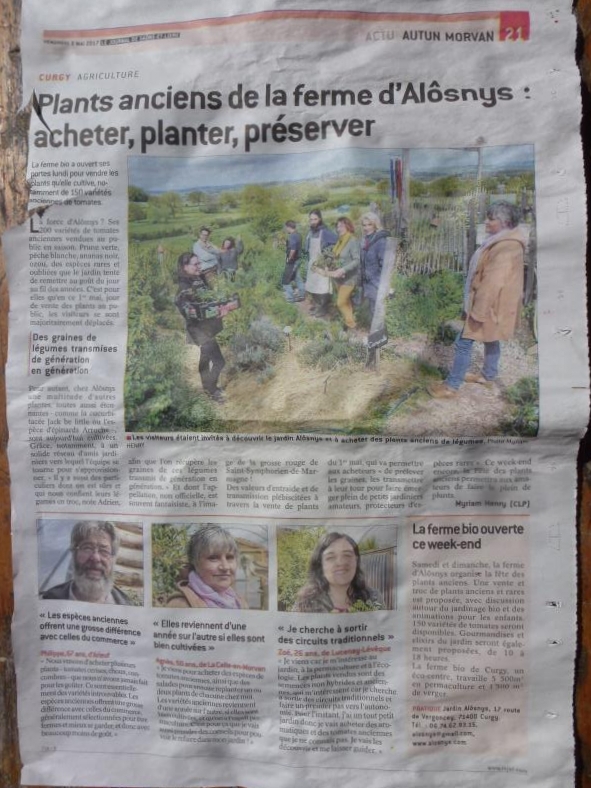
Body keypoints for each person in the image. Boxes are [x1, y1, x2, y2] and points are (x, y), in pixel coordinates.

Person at [429, 201, 526, 398]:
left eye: (490, 219)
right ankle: (488, 376)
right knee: (491, 338)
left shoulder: (506, 246)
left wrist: (477, 312)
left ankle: (451, 386)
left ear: (504, 222)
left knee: (463, 342)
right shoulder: (502, 241)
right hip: (496, 306)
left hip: (489, 305)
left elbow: (492, 283)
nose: (486, 222)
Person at [41, 521, 133, 604]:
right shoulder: (49, 599)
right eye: (87, 548)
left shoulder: (126, 605)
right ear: (74, 553)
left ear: (113, 558)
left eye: (104, 551)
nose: (95, 558)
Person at [175, 252, 225, 403]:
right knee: (219, 361)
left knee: (205, 358)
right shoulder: (184, 287)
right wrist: (214, 311)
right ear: (185, 267)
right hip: (198, 330)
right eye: (195, 264)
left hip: (206, 327)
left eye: (199, 263)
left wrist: (220, 306)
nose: (199, 267)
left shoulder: (198, 279)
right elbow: (189, 311)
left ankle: (208, 387)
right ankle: (211, 390)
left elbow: (209, 299)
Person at [292, 532, 382, 613]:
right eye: (330, 557)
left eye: (347, 555)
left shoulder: (374, 598)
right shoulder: (304, 605)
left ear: (356, 561)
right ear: (320, 565)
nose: (340, 562)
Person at [167, 525, 248, 609]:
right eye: (213, 558)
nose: (225, 567)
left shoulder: (239, 602)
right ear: (195, 562)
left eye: (229, 557)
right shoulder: (181, 604)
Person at [325, 216, 360, 330]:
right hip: (338, 278)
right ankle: (349, 322)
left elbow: (357, 260)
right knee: (346, 302)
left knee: (340, 302)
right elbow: (335, 257)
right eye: (337, 226)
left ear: (347, 226)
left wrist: (343, 269)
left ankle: (352, 326)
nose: (338, 228)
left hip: (349, 278)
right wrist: (328, 265)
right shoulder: (340, 241)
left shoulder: (352, 240)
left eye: (341, 226)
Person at [304, 209, 337, 317]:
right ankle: (317, 307)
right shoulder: (310, 233)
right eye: (311, 219)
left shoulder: (325, 232)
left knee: (322, 288)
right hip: (312, 263)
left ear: (320, 219)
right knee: (313, 287)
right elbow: (307, 248)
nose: (313, 221)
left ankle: (323, 309)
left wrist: (328, 256)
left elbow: (336, 241)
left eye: (315, 219)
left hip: (322, 264)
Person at [360, 211, 390, 322]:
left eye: (369, 225)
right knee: (372, 310)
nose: (366, 228)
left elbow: (384, 265)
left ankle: (379, 334)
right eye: (364, 225)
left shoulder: (380, 241)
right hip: (367, 282)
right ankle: (376, 334)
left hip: (377, 282)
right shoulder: (365, 240)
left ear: (375, 225)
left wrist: (384, 285)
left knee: (378, 311)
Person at [282, 220, 305, 302]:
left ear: (288, 227)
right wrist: (285, 243)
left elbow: (293, 249)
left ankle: (290, 298)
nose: (285, 229)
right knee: (297, 277)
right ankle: (302, 295)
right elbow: (294, 245)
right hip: (298, 259)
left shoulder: (292, 236)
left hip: (292, 260)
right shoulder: (298, 235)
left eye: (286, 227)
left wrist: (289, 259)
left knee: (285, 280)